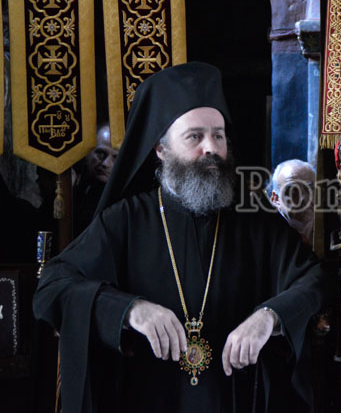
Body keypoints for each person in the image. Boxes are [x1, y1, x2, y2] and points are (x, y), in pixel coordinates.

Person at [33, 63, 325, 412]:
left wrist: (270, 316)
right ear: (161, 148)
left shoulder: (256, 222)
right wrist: (130, 310)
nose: (211, 148)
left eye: (218, 135)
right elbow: (53, 286)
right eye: (195, 136)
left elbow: (315, 279)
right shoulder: (126, 220)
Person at [73, 122, 119, 234]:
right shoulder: (76, 192)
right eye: (100, 154)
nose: (105, 164)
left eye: (115, 158)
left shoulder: (125, 204)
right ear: (87, 153)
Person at [269, 159, 315, 245]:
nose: (303, 198)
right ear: (276, 199)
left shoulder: (330, 228)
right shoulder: (270, 238)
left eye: (309, 189)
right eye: (293, 191)